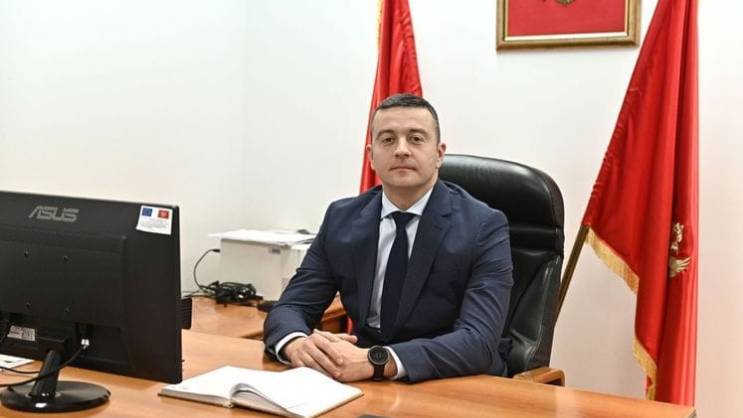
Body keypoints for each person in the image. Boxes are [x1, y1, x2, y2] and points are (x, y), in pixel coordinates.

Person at [263, 93, 513, 383]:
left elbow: (478, 341)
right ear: (371, 155)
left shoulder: (483, 226)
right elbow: (291, 307)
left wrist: (377, 361)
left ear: (439, 154)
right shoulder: (341, 218)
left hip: (450, 381)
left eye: (416, 139)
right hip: (360, 380)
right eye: (388, 139)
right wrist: (297, 344)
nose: (401, 150)